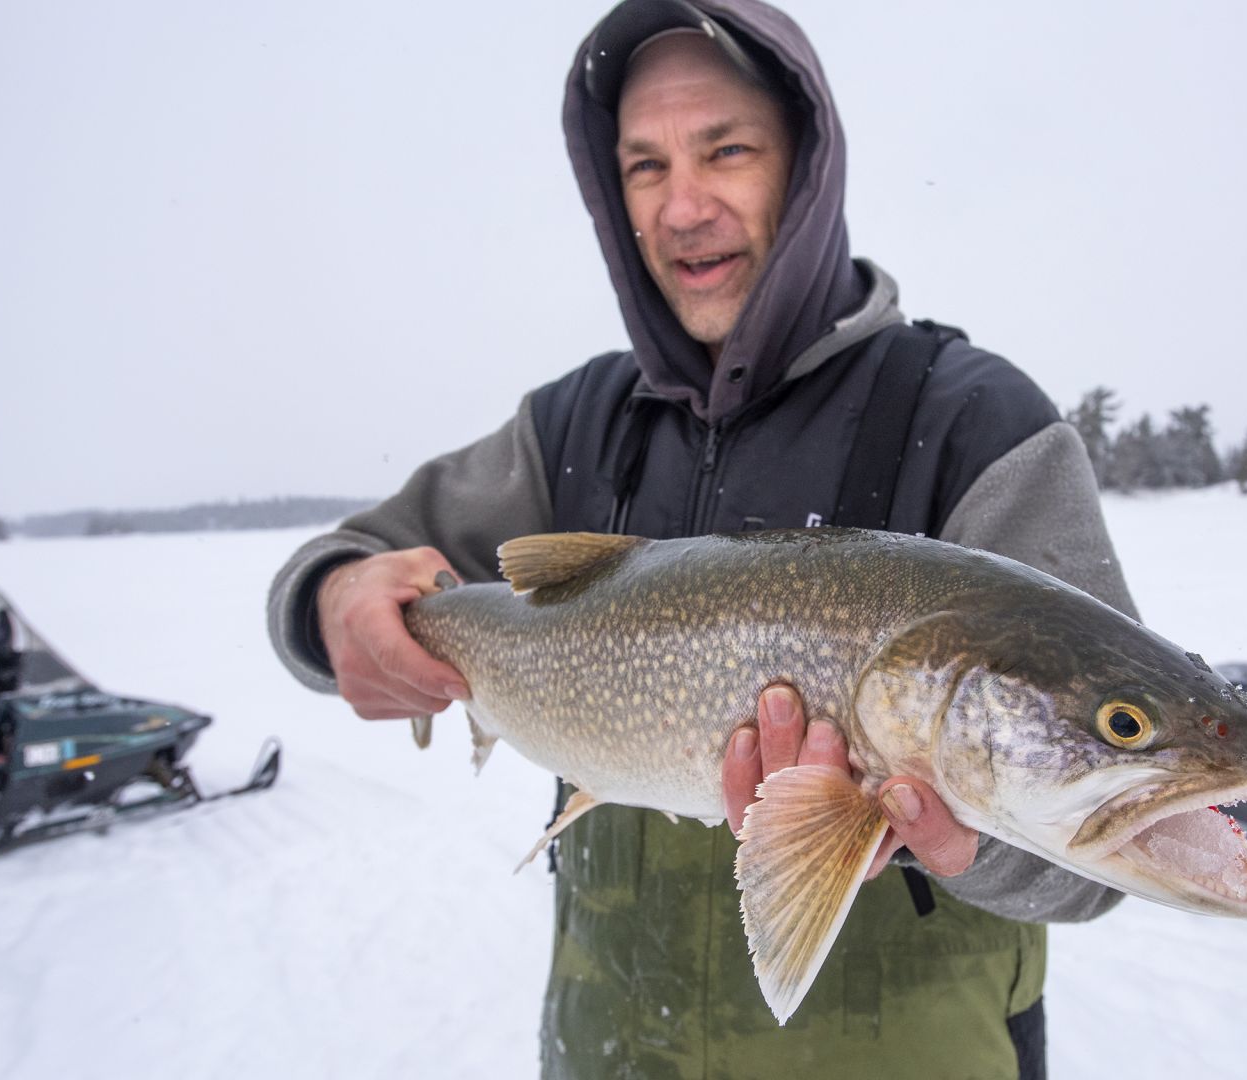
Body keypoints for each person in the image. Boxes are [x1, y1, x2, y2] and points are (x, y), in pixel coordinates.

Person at [266, 2, 1141, 1075]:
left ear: (807, 166)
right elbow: (351, 561)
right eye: (644, 166)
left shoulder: (972, 423)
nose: (683, 207)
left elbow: (1106, 841)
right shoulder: (574, 425)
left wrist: (964, 844)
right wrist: (339, 602)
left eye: (725, 150)